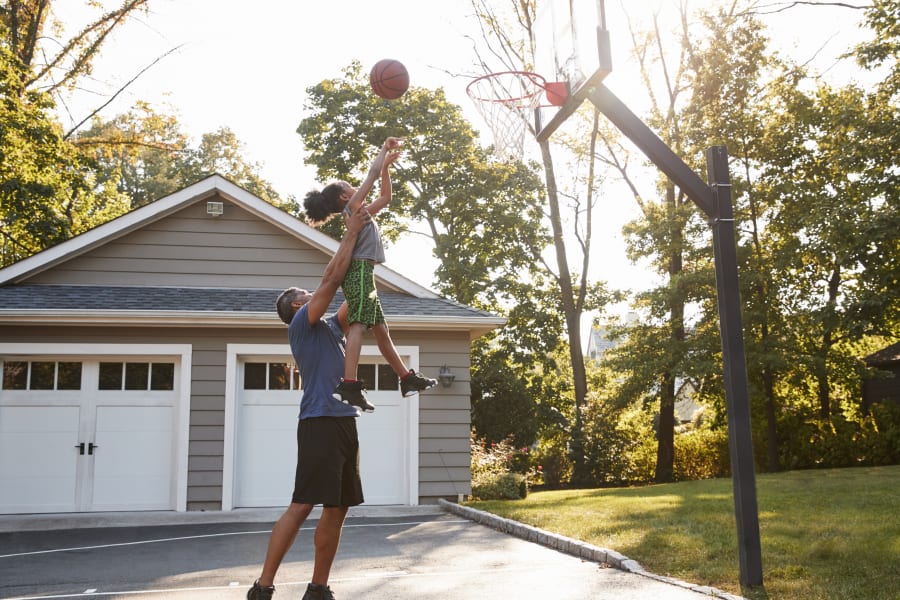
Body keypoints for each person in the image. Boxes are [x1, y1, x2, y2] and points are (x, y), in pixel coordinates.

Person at [244, 196, 376, 600]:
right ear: (297, 305)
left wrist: (367, 244)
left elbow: (354, 291)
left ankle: (318, 588)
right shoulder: (302, 323)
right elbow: (332, 280)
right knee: (303, 505)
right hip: (318, 421)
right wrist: (350, 232)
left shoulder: (331, 330)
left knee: (338, 509)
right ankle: (262, 587)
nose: (311, 292)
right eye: (305, 292)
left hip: (343, 421)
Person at [302, 136, 436, 412]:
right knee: (359, 326)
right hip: (359, 271)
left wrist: (386, 166)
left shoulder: (361, 214)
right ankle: (349, 383)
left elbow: (385, 197)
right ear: (345, 196)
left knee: (381, 331)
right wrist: (383, 150)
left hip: (366, 273)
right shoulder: (352, 209)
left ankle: (406, 379)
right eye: (351, 186)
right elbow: (371, 176)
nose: (355, 187)